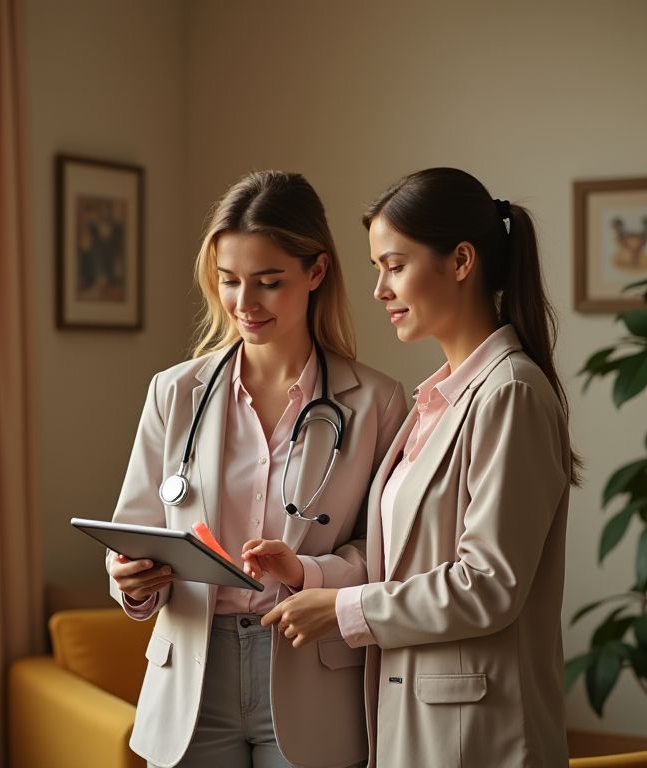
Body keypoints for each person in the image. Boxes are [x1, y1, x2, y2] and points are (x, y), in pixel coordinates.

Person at [261, 167, 580, 767]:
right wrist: (311, 574)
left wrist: (343, 610)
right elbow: (411, 563)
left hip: (477, 737)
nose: (380, 290)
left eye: (394, 266)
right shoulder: (436, 401)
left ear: (460, 262)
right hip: (415, 722)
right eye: (377, 269)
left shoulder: (510, 393)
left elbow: (488, 584)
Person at [107, 170, 408, 768]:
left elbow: (385, 557)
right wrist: (130, 581)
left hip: (310, 673)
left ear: (316, 272)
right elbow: (134, 531)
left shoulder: (377, 402)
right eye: (229, 281)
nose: (245, 304)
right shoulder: (175, 392)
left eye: (269, 282)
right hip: (192, 677)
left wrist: (307, 571)